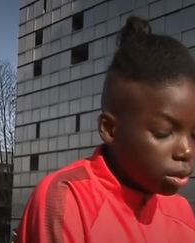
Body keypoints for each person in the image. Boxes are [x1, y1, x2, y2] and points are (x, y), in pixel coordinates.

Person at [17, 16, 195, 243]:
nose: (186, 151)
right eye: (163, 132)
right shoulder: (66, 198)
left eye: (194, 135)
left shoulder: (182, 213)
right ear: (110, 129)